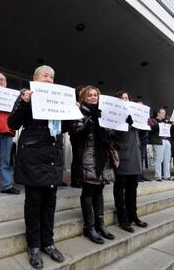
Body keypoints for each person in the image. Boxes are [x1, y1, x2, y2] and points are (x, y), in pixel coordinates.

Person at [8, 65, 65, 269]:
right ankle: (33, 246)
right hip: (33, 156)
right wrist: (23, 103)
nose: (49, 79)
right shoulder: (25, 96)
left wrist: (73, 110)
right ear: (35, 78)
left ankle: (48, 242)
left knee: (50, 202)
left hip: (52, 156)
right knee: (33, 203)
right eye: (45, 76)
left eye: (52, 76)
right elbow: (12, 123)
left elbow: (65, 126)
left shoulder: (58, 98)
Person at [69, 86, 115, 244]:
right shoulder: (79, 111)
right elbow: (75, 132)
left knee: (99, 190)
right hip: (88, 156)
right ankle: (89, 227)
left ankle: (100, 224)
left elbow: (110, 135)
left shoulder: (104, 112)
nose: (93, 97)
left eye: (96, 95)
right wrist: (91, 121)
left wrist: (123, 124)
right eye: (90, 95)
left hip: (103, 156)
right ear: (84, 97)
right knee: (88, 191)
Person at [111, 91, 148, 233]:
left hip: (135, 156)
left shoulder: (134, 116)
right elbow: (112, 134)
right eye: (122, 98)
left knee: (132, 189)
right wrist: (124, 124)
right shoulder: (114, 115)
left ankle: (133, 216)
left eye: (127, 98)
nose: (125, 100)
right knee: (120, 189)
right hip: (122, 156)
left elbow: (143, 135)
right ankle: (123, 219)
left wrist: (143, 124)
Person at [148, 108, 174, 181]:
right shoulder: (152, 120)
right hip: (158, 141)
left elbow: (170, 131)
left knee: (167, 159)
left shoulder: (165, 122)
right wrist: (163, 124)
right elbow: (153, 128)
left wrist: (172, 125)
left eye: (164, 113)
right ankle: (158, 176)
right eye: (163, 113)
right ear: (158, 113)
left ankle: (167, 175)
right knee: (158, 159)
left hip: (166, 140)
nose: (164, 114)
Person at [69, 85, 86, 188]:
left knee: (83, 158)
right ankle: (75, 180)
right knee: (77, 157)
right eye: (82, 91)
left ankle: (82, 178)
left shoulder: (86, 105)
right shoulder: (74, 104)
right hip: (76, 134)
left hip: (84, 134)